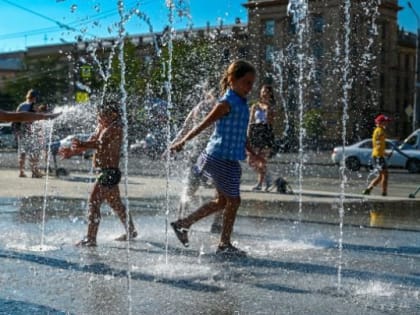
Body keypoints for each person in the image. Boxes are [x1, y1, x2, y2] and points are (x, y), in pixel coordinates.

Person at [170, 60, 261, 256]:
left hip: (227, 158)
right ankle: (224, 243)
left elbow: (241, 133)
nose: (250, 87)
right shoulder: (226, 103)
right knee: (233, 201)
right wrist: (182, 142)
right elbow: (203, 124)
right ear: (232, 80)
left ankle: (183, 224)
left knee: (222, 201)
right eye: (246, 82)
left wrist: (252, 152)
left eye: (252, 83)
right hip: (218, 156)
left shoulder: (242, 103)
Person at [59, 97, 137, 246]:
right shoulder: (102, 126)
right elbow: (91, 142)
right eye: (99, 115)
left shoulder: (115, 127)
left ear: (113, 115)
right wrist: (72, 152)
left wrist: (81, 143)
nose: (99, 117)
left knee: (93, 203)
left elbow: (100, 143)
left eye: (102, 114)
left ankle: (90, 238)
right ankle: (131, 231)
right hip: (106, 171)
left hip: (109, 172)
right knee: (116, 204)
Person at [170, 90, 216, 219]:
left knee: (189, 188)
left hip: (197, 151)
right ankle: (217, 224)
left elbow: (185, 129)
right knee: (222, 190)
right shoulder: (220, 106)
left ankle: (181, 217)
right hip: (215, 151)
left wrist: (174, 144)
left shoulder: (198, 108)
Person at [247, 84, 276, 191]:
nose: (264, 93)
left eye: (267, 92)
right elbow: (250, 122)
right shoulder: (255, 106)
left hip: (266, 133)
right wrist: (248, 134)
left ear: (270, 94)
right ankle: (268, 177)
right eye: (263, 91)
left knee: (262, 160)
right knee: (250, 160)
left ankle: (260, 184)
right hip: (255, 132)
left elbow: (271, 123)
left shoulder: (271, 107)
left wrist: (268, 109)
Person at [15, 89, 43, 178]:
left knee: (22, 152)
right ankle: (34, 171)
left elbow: (15, 119)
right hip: (31, 132)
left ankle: (21, 172)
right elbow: (37, 119)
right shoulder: (34, 106)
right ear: (34, 97)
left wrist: (17, 131)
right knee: (34, 152)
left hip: (21, 132)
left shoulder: (21, 105)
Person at [362, 114, 392, 196]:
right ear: (380, 122)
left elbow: (378, 146)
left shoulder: (378, 130)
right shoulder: (380, 131)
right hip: (378, 156)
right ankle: (384, 193)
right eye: (385, 122)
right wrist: (380, 142)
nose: (387, 124)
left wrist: (385, 153)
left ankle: (368, 189)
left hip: (377, 155)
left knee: (381, 176)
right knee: (385, 175)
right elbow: (378, 143)